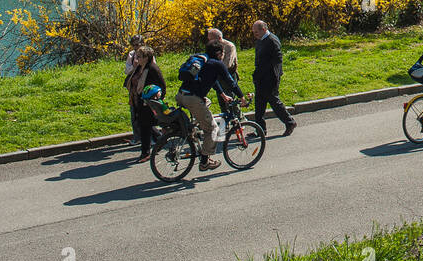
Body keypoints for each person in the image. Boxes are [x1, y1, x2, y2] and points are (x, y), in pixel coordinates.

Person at [176, 43, 240, 171]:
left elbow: (213, 80)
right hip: (192, 99)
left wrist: (222, 95)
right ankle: (205, 162)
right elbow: (230, 82)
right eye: (222, 53)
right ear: (218, 53)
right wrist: (242, 97)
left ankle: (194, 128)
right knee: (212, 129)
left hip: (181, 95)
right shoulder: (217, 64)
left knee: (207, 102)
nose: (223, 56)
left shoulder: (205, 61)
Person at [251, 20, 297, 137]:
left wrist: (275, 75)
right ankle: (260, 130)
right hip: (261, 77)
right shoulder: (261, 40)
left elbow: (277, 59)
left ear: (264, 29)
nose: (254, 34)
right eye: (254, 32)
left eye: (256, 32)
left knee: (274, 102)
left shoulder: (271, 40)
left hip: (270, 77)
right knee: (259, 104)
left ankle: (290, 122)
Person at [124, 46, 165, 162]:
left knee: (144, 127)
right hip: (137, 100)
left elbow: (162, 86)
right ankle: (160, 139)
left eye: (139, 57)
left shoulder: (152, 69)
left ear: (146, 58)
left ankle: (145, 153)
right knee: (143, 124)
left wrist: (156, 100)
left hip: (147, 103)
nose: (136, 59)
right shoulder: (138, 68)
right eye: (136, 56)